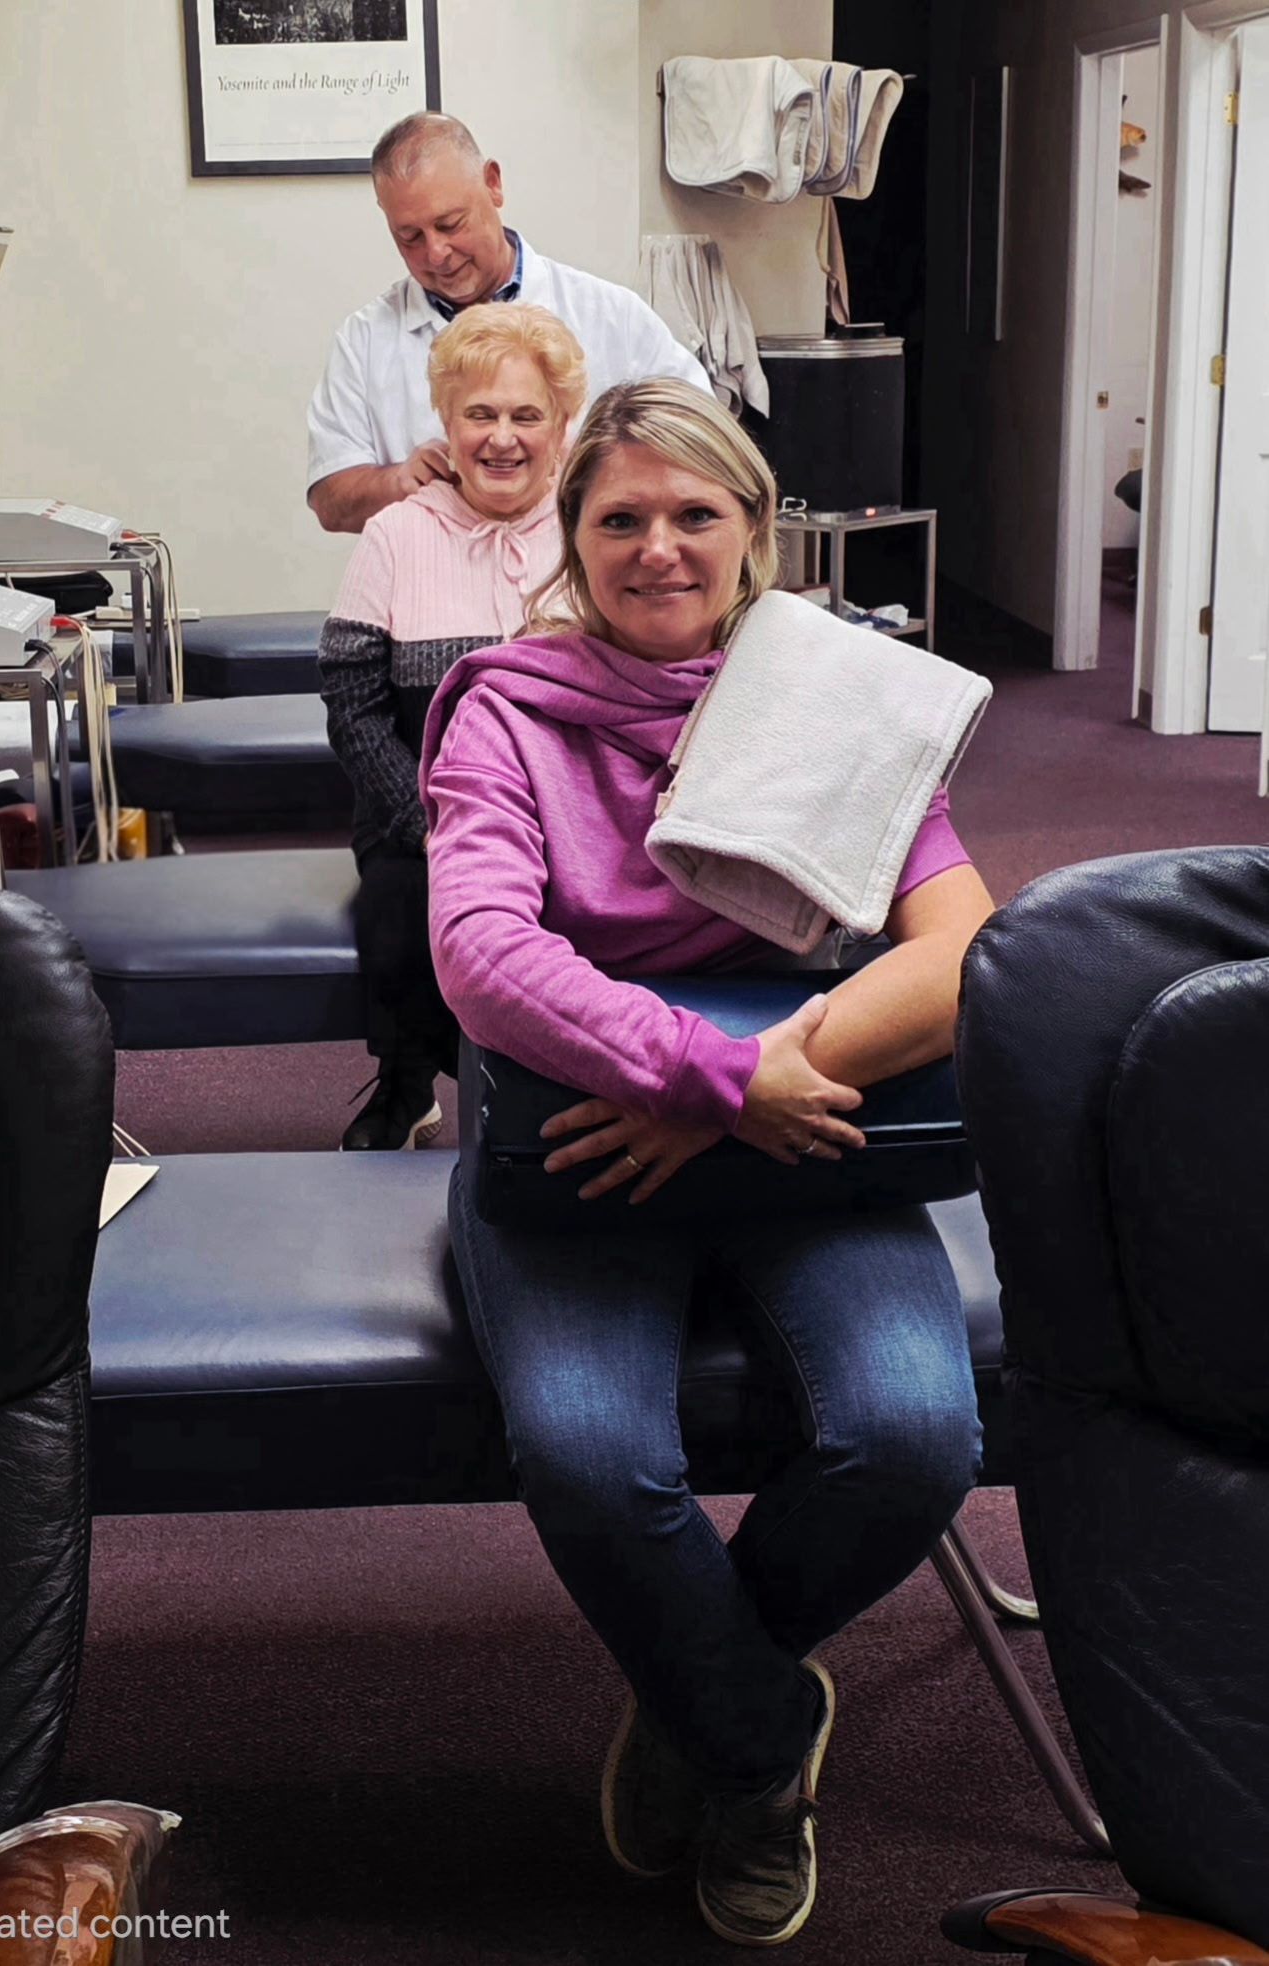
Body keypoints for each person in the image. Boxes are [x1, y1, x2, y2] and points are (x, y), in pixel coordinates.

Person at [419, 381, 995, 1946]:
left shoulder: (839, 696)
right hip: (586, 1154)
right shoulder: (506, 708)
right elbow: (480, 956)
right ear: (572, 536)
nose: (657, 547)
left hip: (798, 1136)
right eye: (620, 517)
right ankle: (751, 1742)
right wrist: (707, 1069)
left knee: (914, 1437)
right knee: (597, 1457)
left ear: (752, 529)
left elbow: (960, 949)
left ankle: (691, 1704)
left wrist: (741, 1088)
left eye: (694, 514)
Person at [319, 301, 585, 1151]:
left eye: (525, 415)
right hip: (416, 808)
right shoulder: (396, 533)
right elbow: (351, 701)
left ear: (562, 424)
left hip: (563, 805)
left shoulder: (595, 527)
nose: (502, 437)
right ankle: (406, 1082)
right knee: (400, 901)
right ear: (445, 422)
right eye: (480, 415)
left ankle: (555, 1078)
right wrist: (428, 821)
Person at [306, 111, 709, 534]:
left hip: (583, 589)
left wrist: (602, 478)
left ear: (493, 184)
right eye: (410, 237)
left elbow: (704, 442)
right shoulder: (364, 341)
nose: (437, 252)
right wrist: (397, 482)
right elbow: (331, 500)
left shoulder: (612, 317)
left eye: (450, 224)